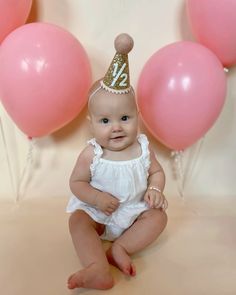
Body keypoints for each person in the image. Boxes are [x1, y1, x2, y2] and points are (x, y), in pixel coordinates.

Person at [66, 33, 168, 290]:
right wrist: (96, 199)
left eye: (125, 118)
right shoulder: (92, 154)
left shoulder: (143, 148)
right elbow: (76, 183)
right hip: (99, 215)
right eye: (105, 121)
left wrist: (156, 189)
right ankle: (97, 266)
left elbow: (156, 172)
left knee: (159, 218)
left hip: (134, 212)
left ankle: (120, 248)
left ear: (137, 115)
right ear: (92, 124)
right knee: (77, 220)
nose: (116, 128)